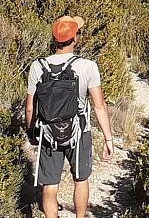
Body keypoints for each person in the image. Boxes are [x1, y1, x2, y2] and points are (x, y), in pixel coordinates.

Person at [25, 15, 114, 218]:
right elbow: (99, 106)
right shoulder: (87, 66)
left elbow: (30, 107)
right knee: (80, 179)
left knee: (50, 185)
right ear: (74, 38)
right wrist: (108, 139)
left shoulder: (37, 67)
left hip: (47, 133)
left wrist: (31, 132)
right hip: (79, 132)